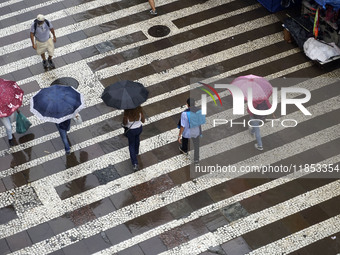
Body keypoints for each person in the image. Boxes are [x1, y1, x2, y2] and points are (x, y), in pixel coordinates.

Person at [178, 98, 201, 164]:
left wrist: (179, 135)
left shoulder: (184, 113)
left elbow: (182, 126)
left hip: (187, 132)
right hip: (195, 131)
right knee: (196, 145)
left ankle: (184, 149)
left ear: (187, 105)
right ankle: (196, 159)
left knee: (185, 140)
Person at [123, 106, 145, 171]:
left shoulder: (126, 114)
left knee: (131, 145)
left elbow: (124, 123)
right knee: (137, 139)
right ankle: (136, 152)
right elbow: (143, 121)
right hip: (139, 129)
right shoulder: (139, 112)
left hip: (131, 131)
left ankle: (135, 163)